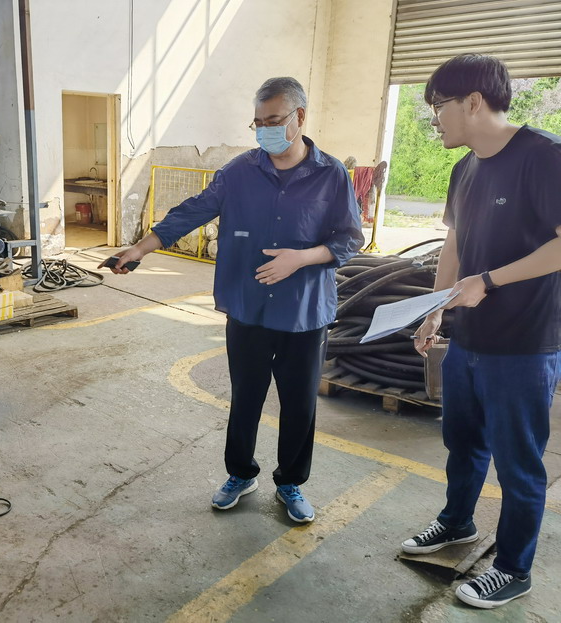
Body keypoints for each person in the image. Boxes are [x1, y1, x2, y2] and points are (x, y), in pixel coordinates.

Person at [102, 77, 363, 522]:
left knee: (299, 404)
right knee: (246, 398)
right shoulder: (240, 172)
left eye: (273, 120)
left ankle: (291, 482)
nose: (264, 131)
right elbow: (192, 210)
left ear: (299, 117)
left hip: (304, 311)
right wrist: (139, 249)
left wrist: (301, 258)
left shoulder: (331, 174)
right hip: (248, 307)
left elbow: (349, 238)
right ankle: (241, 474)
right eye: (258, 122)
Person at [402, 54, 561, 609]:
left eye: (438, 106)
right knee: (463, 441)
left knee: (519, 462)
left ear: (473, 101)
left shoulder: (544, 157)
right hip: (468, 336)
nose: (434, 119)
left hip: (524, 343)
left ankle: (514, 568)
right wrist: (436, 309)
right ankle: (457, 523)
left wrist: (489, 281)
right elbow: (454, 241)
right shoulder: (465, 168)